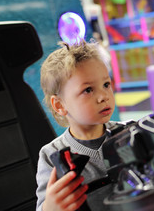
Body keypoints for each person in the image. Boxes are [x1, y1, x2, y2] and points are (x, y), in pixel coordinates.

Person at [36, 40, 131, 211]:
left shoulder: (129, 133)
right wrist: (50, 208)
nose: (104, 96)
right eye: (88, 90)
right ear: (59, 105)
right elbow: (44, 205)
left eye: (106, 84)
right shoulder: (51, 156)